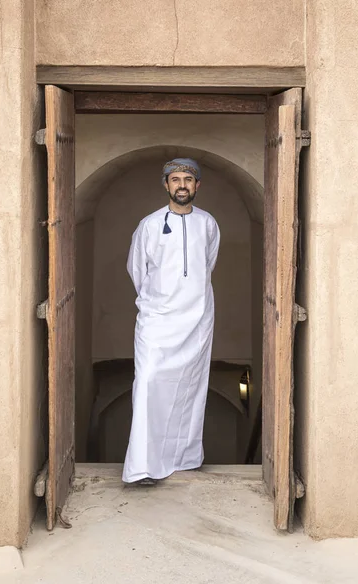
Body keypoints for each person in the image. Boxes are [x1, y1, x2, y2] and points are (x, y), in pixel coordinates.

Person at [122, 158, 220, 486]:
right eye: (175, 179)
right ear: (165, 185)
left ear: (197, 186)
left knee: (190, 388)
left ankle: (182, 459)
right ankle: (143, 467)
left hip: (197, 322)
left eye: (188, 180)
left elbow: (207, 266)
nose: (182, 185)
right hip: (158, 322)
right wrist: (158, 303)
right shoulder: (149, 225)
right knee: (149, 383)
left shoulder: (208, 224)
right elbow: (137, 270)